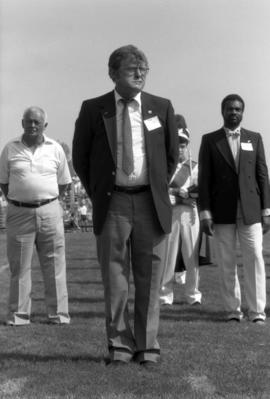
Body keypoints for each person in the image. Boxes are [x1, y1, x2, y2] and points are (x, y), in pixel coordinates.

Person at [72, 45, 178, 366]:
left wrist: (154, 188)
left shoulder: (162, 107)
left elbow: (171, 157)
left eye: (144, 68)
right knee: (116, 277)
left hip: (150, 202)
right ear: (113, 73)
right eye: (133, 68)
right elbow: (81, 158)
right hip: (113, 202)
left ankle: (147, 347)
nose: (140, 73)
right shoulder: (94, 109)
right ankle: (119, 345)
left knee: (150, 277)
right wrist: (103, 191)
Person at [198, 94, 270, 324]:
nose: (234, 113)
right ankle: (232, 310)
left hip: (251, 211)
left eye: (238, 109)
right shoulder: (210, 140)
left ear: (243, 112)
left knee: (255, 259)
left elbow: (262, 175)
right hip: (222, 212)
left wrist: (267, 210)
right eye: (230, 109)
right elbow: (204, 179)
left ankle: (257, 311)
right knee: (226, 262)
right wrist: (205, 212)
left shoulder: (255, 138)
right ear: (222, 111)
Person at [0, 106, 72, 326]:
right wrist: (22, 199)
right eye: (28, 121)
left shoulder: (56, 148)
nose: (32, 125)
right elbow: (3, 182)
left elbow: (64, 183)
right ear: (22, 123)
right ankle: (19, 316)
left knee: (54, 265)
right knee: (19, 267)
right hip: (19, 212)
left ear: (45, 126)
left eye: (37, 122)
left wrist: (44, 201)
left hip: (49, 211)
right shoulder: (10, 148)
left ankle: (58, 315)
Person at [160, 115, 202, 306]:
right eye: (177, 144)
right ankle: (165, 295)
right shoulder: (164, 168)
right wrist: (181, 195)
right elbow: (161, 192)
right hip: (170, 215)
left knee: (191, 256)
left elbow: (198, 193)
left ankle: (193, 295)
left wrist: (178, 194)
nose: (180, 147)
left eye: (183, 144)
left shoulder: (195, 167)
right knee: (167, 257)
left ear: (188, 145)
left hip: (189, 216)